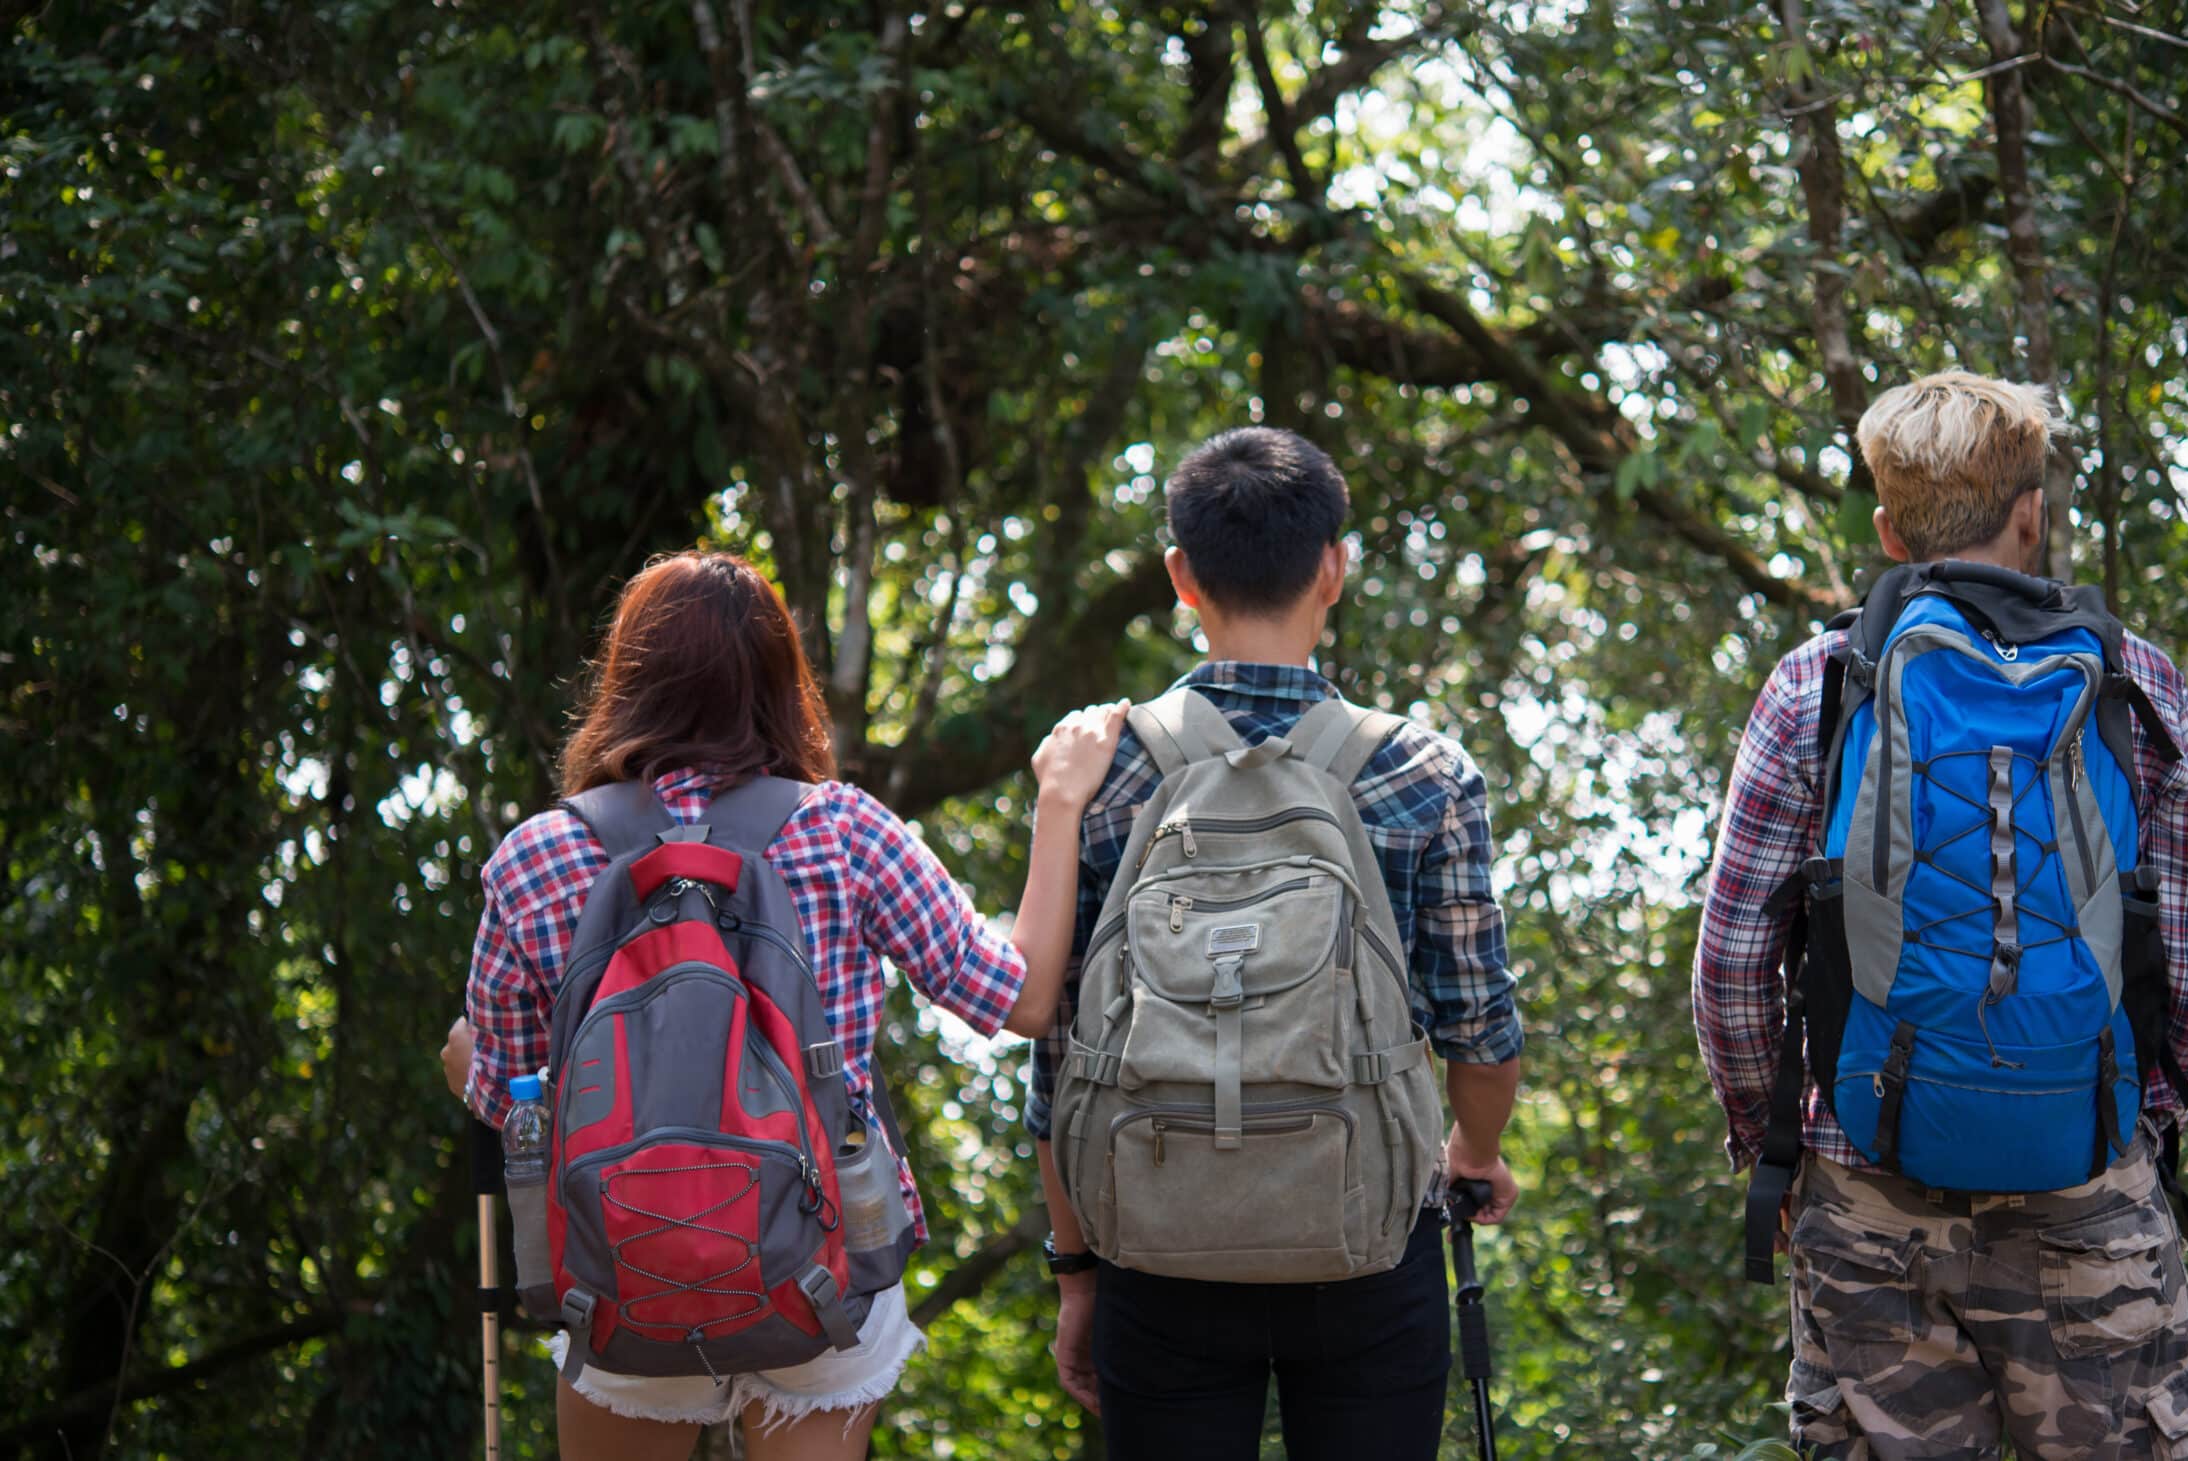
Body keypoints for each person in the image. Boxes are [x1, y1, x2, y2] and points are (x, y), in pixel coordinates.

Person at [438, 549, 1125, 1461]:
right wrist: (1059, 799)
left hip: (620, 1273)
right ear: (778, 681)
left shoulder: (537, 856)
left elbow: (513, 1100)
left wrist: (464, 1057)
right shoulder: (845, 831)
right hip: (820, 1269)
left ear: (626, 677)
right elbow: (1025, 998)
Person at [1692, 373, 2188, 1458]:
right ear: (2033, 513)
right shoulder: (2137, 685)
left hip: (1870, 1198)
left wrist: (1776, 1142)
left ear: (1887, 528)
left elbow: (1735, 962)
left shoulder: (1817, 684)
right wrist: (2140, 1121)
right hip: (2088, 1184)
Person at [1028, 427, 1525, 1459]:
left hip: (1153, 1237)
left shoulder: (1102, 768)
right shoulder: (1424, 774)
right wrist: (1471, 1152)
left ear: (1180, 577)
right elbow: (1480, 1027)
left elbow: (1060, 1050)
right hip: (1366, 1242)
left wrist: (1075, 1273)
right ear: (1332, 568)